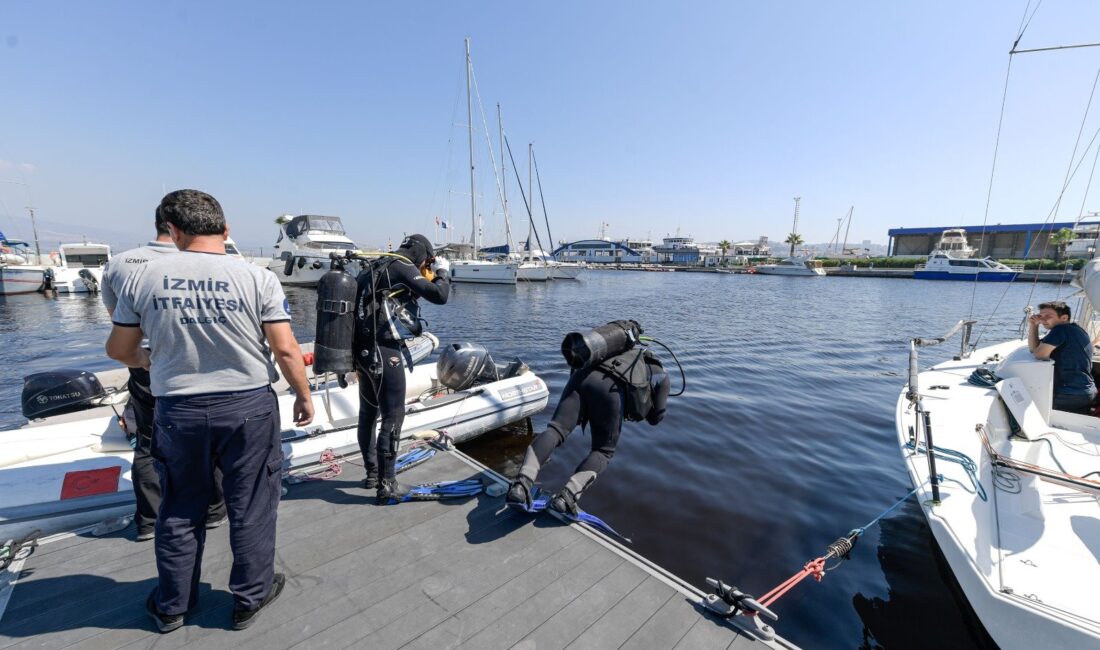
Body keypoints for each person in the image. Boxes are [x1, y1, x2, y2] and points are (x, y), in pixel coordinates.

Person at [106, 189, 315, 633]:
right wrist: (303, 395)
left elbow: (119, 349)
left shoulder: (141, 278)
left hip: (177, 409)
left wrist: (147, 362)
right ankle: (249, 598)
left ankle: (173, 605)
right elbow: (285, 348)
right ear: (226, 230)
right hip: (247, 407)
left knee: (180, 506)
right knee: (252, 502)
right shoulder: (257, 277)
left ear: (174, 231)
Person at [101, 211, 226, 542]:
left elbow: (120, 324)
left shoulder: (119, 265)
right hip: (199, 362)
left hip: (146, 362)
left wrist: (141, 359)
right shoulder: (207, 261)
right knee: (208, 436)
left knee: (147, 440)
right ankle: (213, 510)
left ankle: (150, 519)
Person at [507, 324, 671, 515]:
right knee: (603, 451)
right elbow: (656, 418)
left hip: (581, 377)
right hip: (610, 393)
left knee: (555, 430)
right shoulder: (657, 369)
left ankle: (520, 484)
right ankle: (566, 497)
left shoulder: (604, 350)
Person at [353, 233, 450, 504]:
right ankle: (388, 486)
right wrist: (443, 271)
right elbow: (439, 295)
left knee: (368, 415)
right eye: (428, 262)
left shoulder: (374, 267)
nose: (426, 268)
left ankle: (373, 474)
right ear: (422, 254)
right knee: (393, 418)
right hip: (385, 352)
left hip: (362, 353)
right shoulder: (401, 266)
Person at [1028, 300, 1097, 414]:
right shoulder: (1075, 329)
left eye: (1048, 316)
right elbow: (1034, 349)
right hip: (1085, 391)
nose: (1042, 320)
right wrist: (1033, 326)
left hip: (1070, 393)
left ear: (1064, 318)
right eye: (1040, 316)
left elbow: (1039, 354)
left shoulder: (1061, 329)